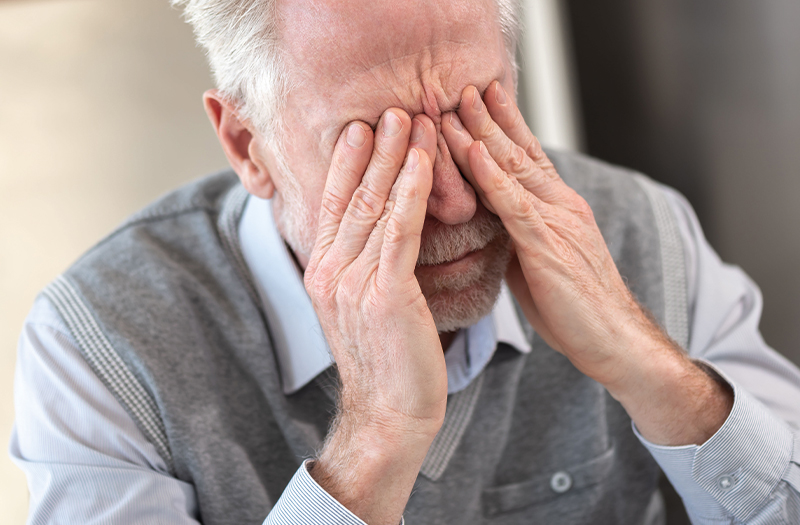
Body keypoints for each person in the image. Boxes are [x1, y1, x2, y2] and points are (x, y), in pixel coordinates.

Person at [10, 0, 800, 523]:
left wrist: (649, 368)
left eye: (476, 117)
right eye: (378, 150)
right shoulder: (100, 345)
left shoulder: (641, 228)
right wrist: (376, 441)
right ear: (248, 146)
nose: (454, 201)